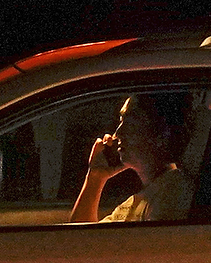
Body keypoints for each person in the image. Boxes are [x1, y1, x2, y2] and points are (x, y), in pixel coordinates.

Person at [68, 95, 193, 223]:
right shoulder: (143, 198)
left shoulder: (174, 194)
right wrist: (95, 177)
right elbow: (80, 238)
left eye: (131, 122)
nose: (117, 134)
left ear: (161, 133)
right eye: (121, 121)